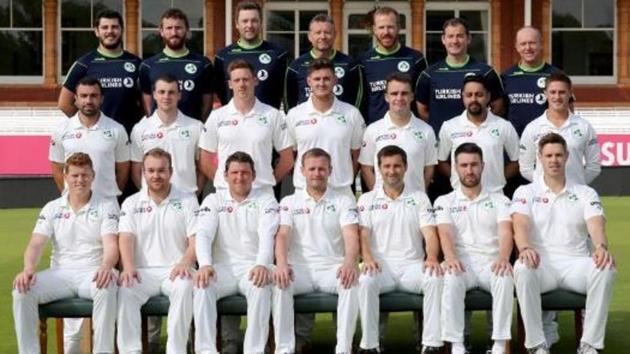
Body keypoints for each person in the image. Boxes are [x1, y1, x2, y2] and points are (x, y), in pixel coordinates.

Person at [512, 133, 616, 354]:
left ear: (567, 157)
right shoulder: (526, 191)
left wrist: (600, 247)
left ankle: (589, 345)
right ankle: (536, 345)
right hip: (542, 265)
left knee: (606, 266)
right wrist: (524, 248)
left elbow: (596, 225)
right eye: (549, 155)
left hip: (576, 264)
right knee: (522, 267)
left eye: (559, 155)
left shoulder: (585, 192)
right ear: (540, 157)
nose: (554, 160)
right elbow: (519, 224)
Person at [12, 153, 119, 354]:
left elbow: (111, 244)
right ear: (65, 176)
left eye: (85, 175)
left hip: (93, 272)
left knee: (108, 284)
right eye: (75, 175)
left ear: (93, 176)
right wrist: (28, 269)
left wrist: (106, 266)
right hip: (60, 273)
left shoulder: (107, 205)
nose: (80, 180)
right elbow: (36, 243)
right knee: (21, 290)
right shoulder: (52, 208)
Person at [272, 148, 376, 354]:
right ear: (302, 171)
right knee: (279, 283)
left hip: (333, 268)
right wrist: (282, 264)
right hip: (299, 269)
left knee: (352, 281)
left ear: (330, 170)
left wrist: (349, 262)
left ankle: (343, 348)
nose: (317, 173)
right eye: (312, 169)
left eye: (322, 169)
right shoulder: (289, 202)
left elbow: (350, 235)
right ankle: (284, 349)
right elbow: (282, 235)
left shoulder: (344, 200)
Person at [358, 145, 443, 354]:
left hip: (412, 267)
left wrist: (431, 257)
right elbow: (363, 234)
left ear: (405, 168)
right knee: (366, 280)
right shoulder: (367, 200)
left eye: (397, 165)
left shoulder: (420, 197)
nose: (392, 170)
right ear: (379, 169)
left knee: (435, 277)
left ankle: (430, 344)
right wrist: (367, 257)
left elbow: (430, 233)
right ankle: (369, 345)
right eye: (386, 166)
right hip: (380, 268)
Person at [194, 152, 279, 354]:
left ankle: (255, 350)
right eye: (234, 172)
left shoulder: (267, 201)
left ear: (254, 175)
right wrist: (205, 264)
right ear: (225, 175)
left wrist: (262, 264)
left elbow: (268, 235)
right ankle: (206, 351)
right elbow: (203, 234)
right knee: (202, 286)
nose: (239, 177)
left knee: (261, 285)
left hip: (253, 267)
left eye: (245, 173)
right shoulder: (212, 200)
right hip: (221, 268)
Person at [434, 143, 514, 354]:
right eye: (464, 165)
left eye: (474, 165)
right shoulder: (444, 201)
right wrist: (450, 257)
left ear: (483, 166)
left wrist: (504, 258)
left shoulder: (500, 200)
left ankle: (499, 343)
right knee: (450, 276)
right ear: (455, 168)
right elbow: (445, 232)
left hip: (492, 263)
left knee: (505, 276)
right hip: (461, 264)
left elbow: (506, 232)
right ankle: (457, 344)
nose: (469, 170)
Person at [116, 148, 198, 354]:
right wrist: (128, 267)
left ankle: (175, 350)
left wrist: (185, 262)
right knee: (126, 288)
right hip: (143, 272)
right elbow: (125, 237)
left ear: (170, 171)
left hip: (177, 270)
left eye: (161, 170)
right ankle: (130, 351)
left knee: (185, 286)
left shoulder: (188, 200)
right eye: (151, 170)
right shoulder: (131, 202)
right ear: (143, 172)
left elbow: (196, 240)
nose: (156, 176)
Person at [199, 59, 294, 197]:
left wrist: (268, 182)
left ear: (255, 81)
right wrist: (225, 183)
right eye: (237, 80)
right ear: (230, 84)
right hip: (226, 196)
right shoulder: (217, 116)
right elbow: (205, 160)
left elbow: (287, 159)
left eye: (246, 79)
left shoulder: (272, 115)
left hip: (262, 195)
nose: (242, 84)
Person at [285, 58, 365, 196]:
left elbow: (358, 154)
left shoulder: (352, 114)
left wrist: (345, 177)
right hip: (304, 192)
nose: (321, 83)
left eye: (327, 79)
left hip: (341, 191)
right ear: (309, 81)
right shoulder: (295, 114)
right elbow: (289, 155)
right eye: (317, 79)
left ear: (335, 80)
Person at [59, 10, 143, 134]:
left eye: (114, 27)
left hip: (128, 137)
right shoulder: (83, 64)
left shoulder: (137, 63)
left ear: (122, 30)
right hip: (96, 137)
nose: (110, 31)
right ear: (97, 31)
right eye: (105, 27)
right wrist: (88, 124)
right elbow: (64, 104)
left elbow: (146, 102)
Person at [416, 17, 504, 135]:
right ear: (443, 39)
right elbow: (422, 111)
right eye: (450, 36)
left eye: (460, 36)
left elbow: (498, 107)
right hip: (442, 141)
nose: (455, 41)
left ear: (468, 39)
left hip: (477, 140)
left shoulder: (486, 72)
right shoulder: (429, 75)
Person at [50, 77, 130, 200]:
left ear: (101, 98)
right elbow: (57, 167)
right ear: (76, 99)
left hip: (107, 203)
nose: (88, 100)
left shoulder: (117, 129)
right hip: (73, 203)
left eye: (93, 96)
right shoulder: (61, 130)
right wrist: (69, 193)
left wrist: (111, 195)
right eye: (84, 96)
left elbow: (123, 168)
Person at [438, 75, 519, 193]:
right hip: (461, 197)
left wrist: (498, 178)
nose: (473, 99)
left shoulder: (504, 126)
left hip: (495, 196)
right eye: (469, 95)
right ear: (463, 97)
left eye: (479, 94)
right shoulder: (449, 126)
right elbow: (440, 161)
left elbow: (516, 161)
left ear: (488, 96)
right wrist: (458, 176)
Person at [359, 73, 437, 193]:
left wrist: (419, 193)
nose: (399, 98)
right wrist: (377, 194)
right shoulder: (372, 130)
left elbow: (429, 168)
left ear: (412, 96)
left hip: (415, 204)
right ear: (386, 97)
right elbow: (366, 167)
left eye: (404, 93)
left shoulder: (426, 130)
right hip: (382, 205)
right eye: (394, 93)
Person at [519, 73, 601, 186]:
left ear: (570, 94)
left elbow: (594, 166)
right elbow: (525, 167)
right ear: (545, 94)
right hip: (544, 198)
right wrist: (544, 185)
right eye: (553, 92)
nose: (557, 97)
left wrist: (577, 185)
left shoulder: (584, 127)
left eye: (562, 92)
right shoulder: (533, 128)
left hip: (574, 197)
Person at [129, 74, 203, 195]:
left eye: (171, 92)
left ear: (179, 95)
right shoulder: (140, 129)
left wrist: (194, 195)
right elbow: (136, 170)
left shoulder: (196, 127)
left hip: (186, 200)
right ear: (154, 95)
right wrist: (150, 194)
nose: (166, 96)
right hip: (151, 203)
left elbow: (202, 168)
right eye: (162, 92)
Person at [139, 8, 214, 121]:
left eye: (178, 28)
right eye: (169, 28)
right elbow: (147, 101)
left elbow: (207, 101)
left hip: (192, 131)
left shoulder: (203, 64)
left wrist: (199, 125)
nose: (174, 33)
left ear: (187, 30)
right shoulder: (148, 66)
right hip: (159, 133)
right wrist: (152, 124)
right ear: (161, 31)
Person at [357, 6, 427, 125]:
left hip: (410, 130)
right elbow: (360, 100)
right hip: (375, 131)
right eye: (381, 27)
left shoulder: (416, 59)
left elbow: (424, 101)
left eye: (390, 27)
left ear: (398, 28)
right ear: (374, 29)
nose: (386, 32)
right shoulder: (363, 61)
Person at [214, 1, 288, 109]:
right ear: (237, 24)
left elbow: (285, 93)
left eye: (254, 21)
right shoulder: (223, 57)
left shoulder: (278, 54)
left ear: (261, 23)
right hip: (234, 122)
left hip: (267, 121)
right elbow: (221, 92)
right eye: (245, 21)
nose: (249, 25)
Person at [285, 13, 361, 109]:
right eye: (318, 33)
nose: (323, 36)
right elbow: (289, 103)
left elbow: (358, 99)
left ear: (335, 35)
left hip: (341, 121)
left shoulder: (350, 64)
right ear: (309, 36)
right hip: (307, 122)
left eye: (327, 32)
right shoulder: (296, 66)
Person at [502, 26, 562, 137]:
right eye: (523, 44)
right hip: (514, 142)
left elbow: (568, 109)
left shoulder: (556, 75)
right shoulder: (507, 76)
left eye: (532, 43)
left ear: (541, 44)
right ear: (516, 47)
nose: (528, 48)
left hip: (546, 143)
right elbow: (500, 111)